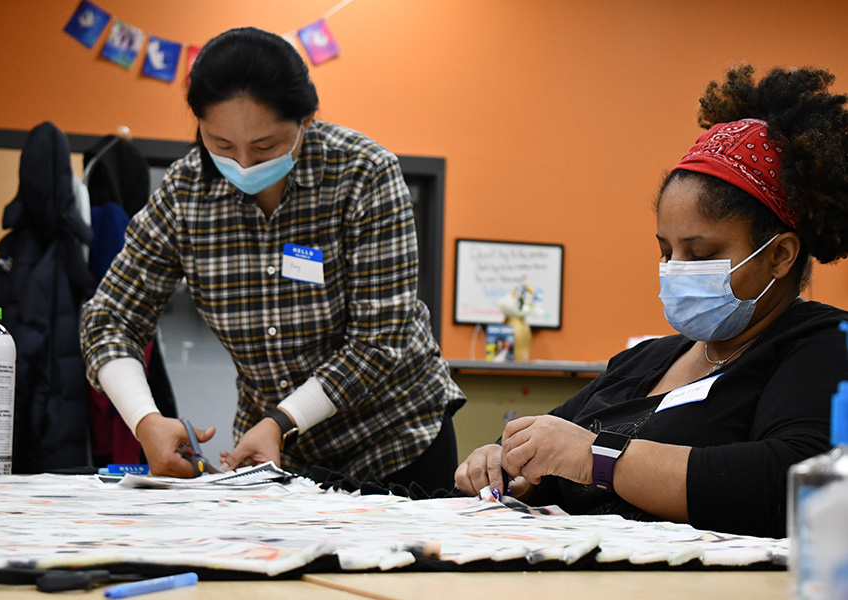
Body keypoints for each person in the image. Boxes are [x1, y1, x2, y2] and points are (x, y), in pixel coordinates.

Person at [455, 65, 848, 538]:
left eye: (700, 253)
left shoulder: (821, 347)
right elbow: (547, 441)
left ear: (780, 256)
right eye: (666, 251)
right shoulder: (648, 359)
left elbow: (793, 483)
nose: (676, 268)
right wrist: (502, 461)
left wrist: (597, 458)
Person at [80, 27, 465, 491]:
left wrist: (283, 420)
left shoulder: (363, 175)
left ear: (306, 120)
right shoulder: (186, 195)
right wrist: (145, 421)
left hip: (395, 441)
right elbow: (108, 320)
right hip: (275, 457)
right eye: (221, 145)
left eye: (265, 146)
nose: (243, 164)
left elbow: (381, 341)